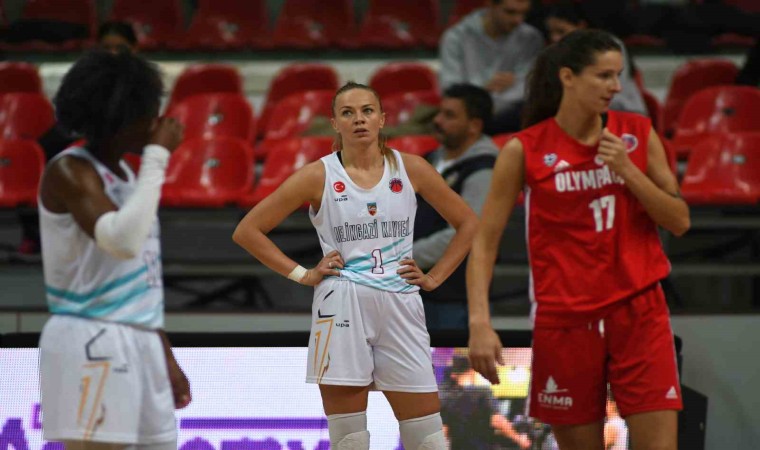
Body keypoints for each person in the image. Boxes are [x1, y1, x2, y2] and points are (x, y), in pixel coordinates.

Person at [466, 29, 689, 450]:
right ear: (568, 77)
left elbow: (679, 221)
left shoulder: (637, 133)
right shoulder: (525, 149)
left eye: (618, 75)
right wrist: (479, 322)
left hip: (639, 312)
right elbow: (484, 241)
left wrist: (628, 171)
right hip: (564, 320)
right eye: (604, 76)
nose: (616, 87)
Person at [232, 81, 478, 450]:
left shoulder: (411, 168)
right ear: (335, 123)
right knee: (349, 440)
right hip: (342, 302)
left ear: (382, 119)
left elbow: (469, 223)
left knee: (428, 439)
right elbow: (247, 231)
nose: (359, 119)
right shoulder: (318, 175)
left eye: (367, 111)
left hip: (401, 301)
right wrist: (303, 274)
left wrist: (434, 277)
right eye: (348, 113)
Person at [37, 49, 190, 449]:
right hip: (89, 336)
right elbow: (121, 242)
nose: (157, 121)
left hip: (140, 336)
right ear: (123, 117)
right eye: (149, 112)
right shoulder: (70, 171)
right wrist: (158, 155)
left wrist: (163, 352)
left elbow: (137, 274)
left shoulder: (124, 172)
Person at [15, 21, 139, 259]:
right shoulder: (85, 74)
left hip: (125, 132)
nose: (113, 53)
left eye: (120, 48)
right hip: (85, 127)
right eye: (107, 47)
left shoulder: (142, 80)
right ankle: (33, 233)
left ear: (134, 49)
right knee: (38, 153)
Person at [414, 83, 498, 330]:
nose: (437, 120)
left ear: (474, 125)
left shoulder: (484, 170)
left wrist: (403, 256)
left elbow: (467, 233)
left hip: (454, 298)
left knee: (451, 357)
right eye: (439, 112)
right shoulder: (428, 160)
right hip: (414, 289)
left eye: (449, 115)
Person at [439, 0, 544, 135]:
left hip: (511, 116)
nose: (518, 20)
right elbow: (450, 88)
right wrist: (484, 89)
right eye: (510, 12)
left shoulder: (532, 38)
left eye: (523, 13)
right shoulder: (455, 37)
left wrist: (480, 97)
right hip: (468, 117)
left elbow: (528, 88)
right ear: (490, 5)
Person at [544, 1, 647, 115]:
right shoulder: (555, 53)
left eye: (561, 31)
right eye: (551, 32)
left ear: (581, 26)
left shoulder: (608, 46)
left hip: (623, 110)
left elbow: (614, 93)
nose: (554, 38)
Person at [441, 356, 531, 450]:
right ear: (471, 371)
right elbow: (497, 421)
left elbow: (444, 431)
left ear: (453, 375)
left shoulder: (445, 398)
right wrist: (519, 439)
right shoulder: (482, 392)